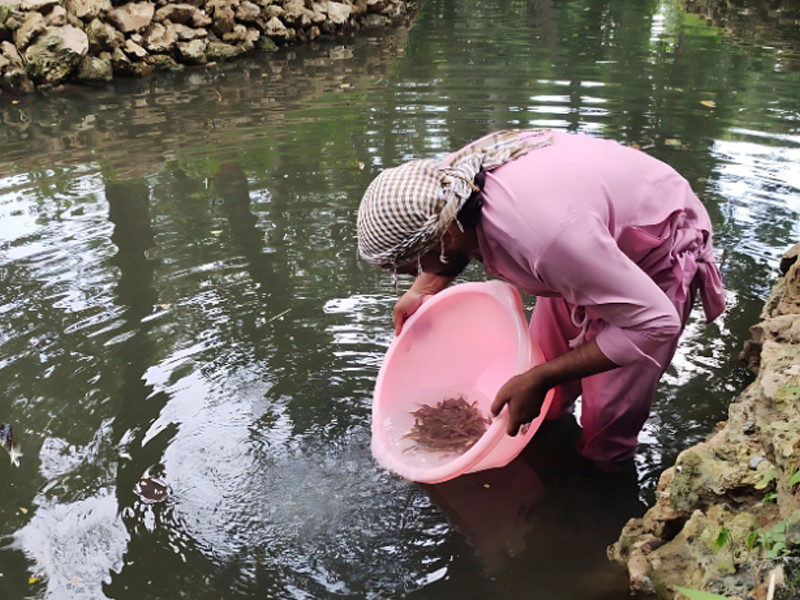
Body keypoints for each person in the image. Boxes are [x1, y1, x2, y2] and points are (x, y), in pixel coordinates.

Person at [356, 129, 725, 471]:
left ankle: (598, 501)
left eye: (406, 268)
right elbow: (457, 239)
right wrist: (423, 289)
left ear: (445, 237)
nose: (406, 276)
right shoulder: (448, 187)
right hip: (582, 250)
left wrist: (540, 377)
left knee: (605, 430)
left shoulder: (548, 242)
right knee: (541, 399)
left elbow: (656, 324)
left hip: (652, 255)